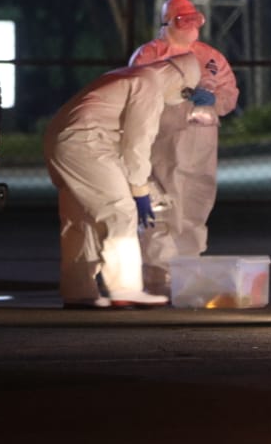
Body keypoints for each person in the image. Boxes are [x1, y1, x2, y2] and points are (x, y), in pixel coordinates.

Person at [45, 53, 201, 309]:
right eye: (186, 93)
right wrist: (139, 190)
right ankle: (125, 289)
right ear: (178, 79)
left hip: (63, 141)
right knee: (121, 212)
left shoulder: (129, 75)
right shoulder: (149, 85)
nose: (181, 99)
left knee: (81, 217)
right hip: (87, 142)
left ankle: (79, 290)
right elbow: (137, 143)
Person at [129, 0, 240, 296]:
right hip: (160, 142)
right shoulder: (150, 55)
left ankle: (187, 271)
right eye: (183, 20)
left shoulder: (210, 57)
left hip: (201, 142)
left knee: (195, 203)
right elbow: (137, 94)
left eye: (195, 19)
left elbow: (229, 94)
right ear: (167, 23)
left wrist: (214, 101)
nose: (191, 26)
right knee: (161, 204)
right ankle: (158, 273)